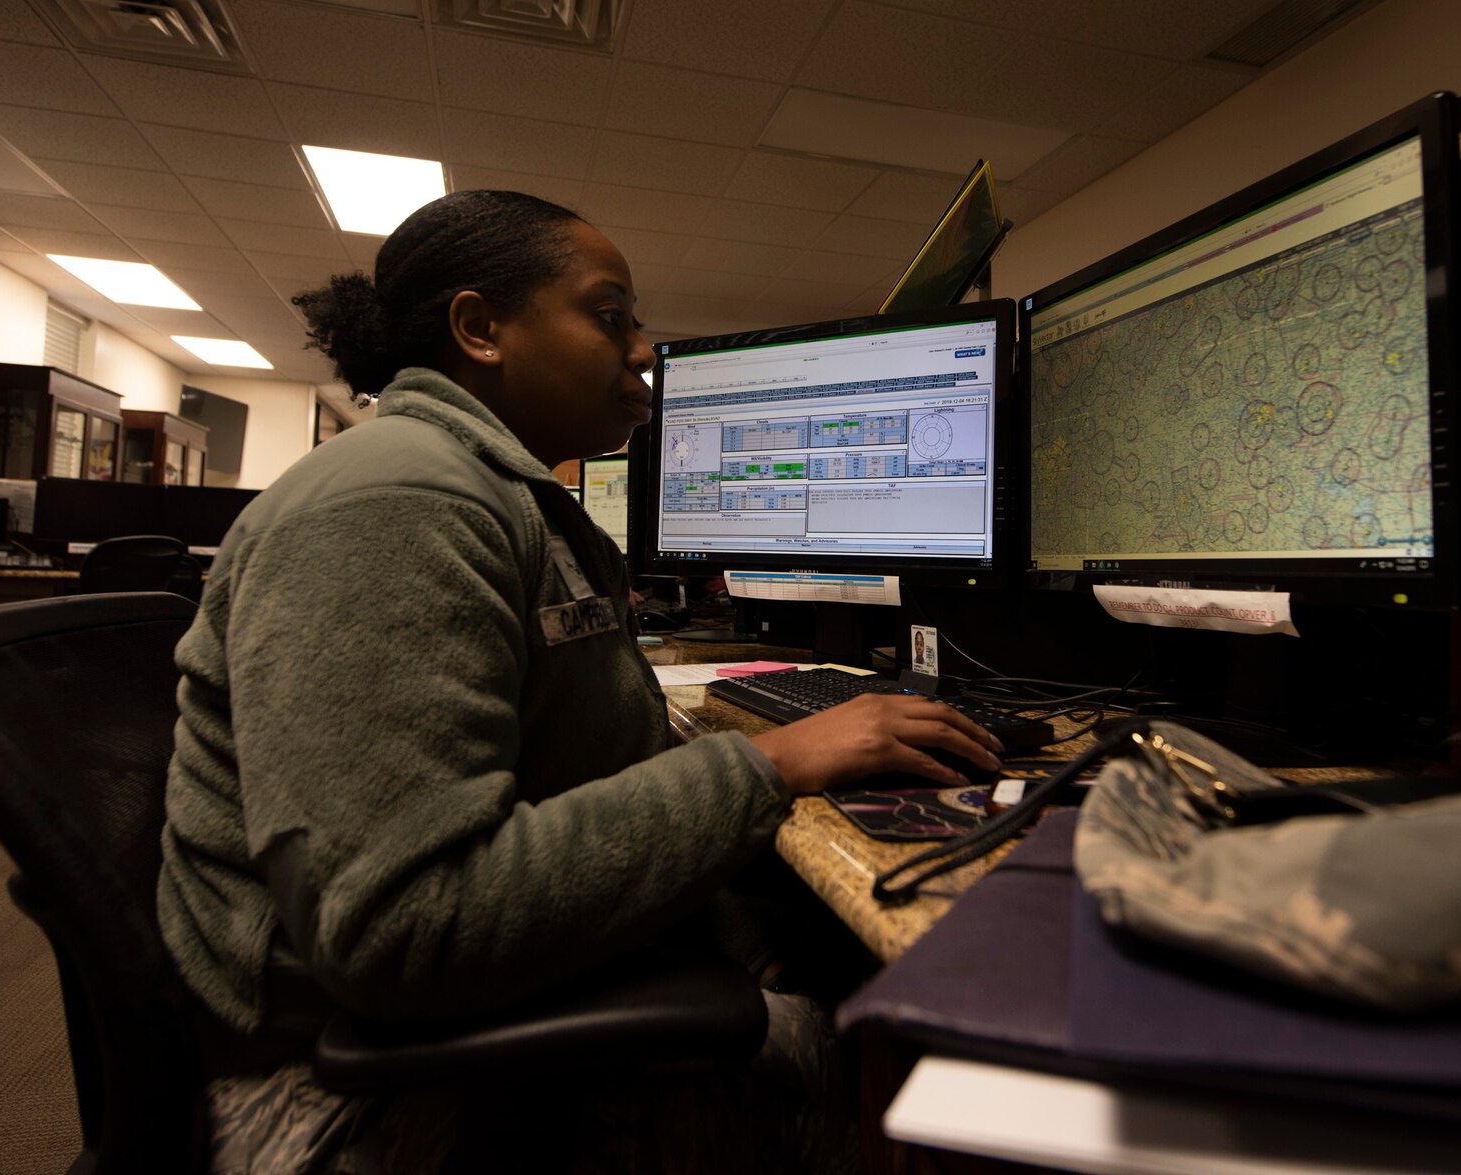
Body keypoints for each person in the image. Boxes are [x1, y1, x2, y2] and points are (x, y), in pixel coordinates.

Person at [156, 190, 1002, 1173]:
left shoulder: (493, 494)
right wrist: (763, 765)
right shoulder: (395, 501)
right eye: (611, 316)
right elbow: (401, 927)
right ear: (480, 329)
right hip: (350, 1102)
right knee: (943, 1090)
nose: (643, 350)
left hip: (464, 1030)